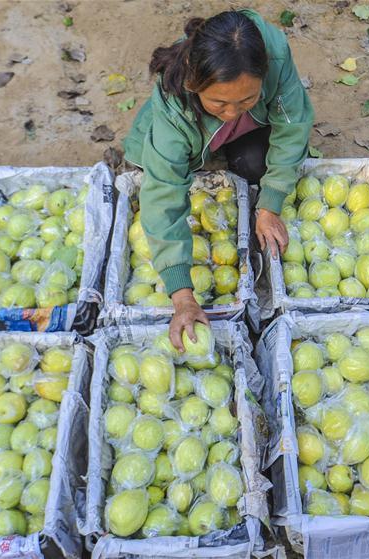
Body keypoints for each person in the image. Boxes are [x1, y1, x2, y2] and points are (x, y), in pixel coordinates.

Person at [124, 9, 313, 350]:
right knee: (168, 171)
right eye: (219, 102)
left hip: (246, 129)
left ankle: (232, 134)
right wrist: (182, 296)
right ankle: (208, 140)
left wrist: (270, 204)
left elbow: (292, 124)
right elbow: (164, 196)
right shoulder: (174, 102)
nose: (230, 111)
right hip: (187, 134)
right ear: (195, 85)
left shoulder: (275, 54)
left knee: (254, 166)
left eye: (247, 98)